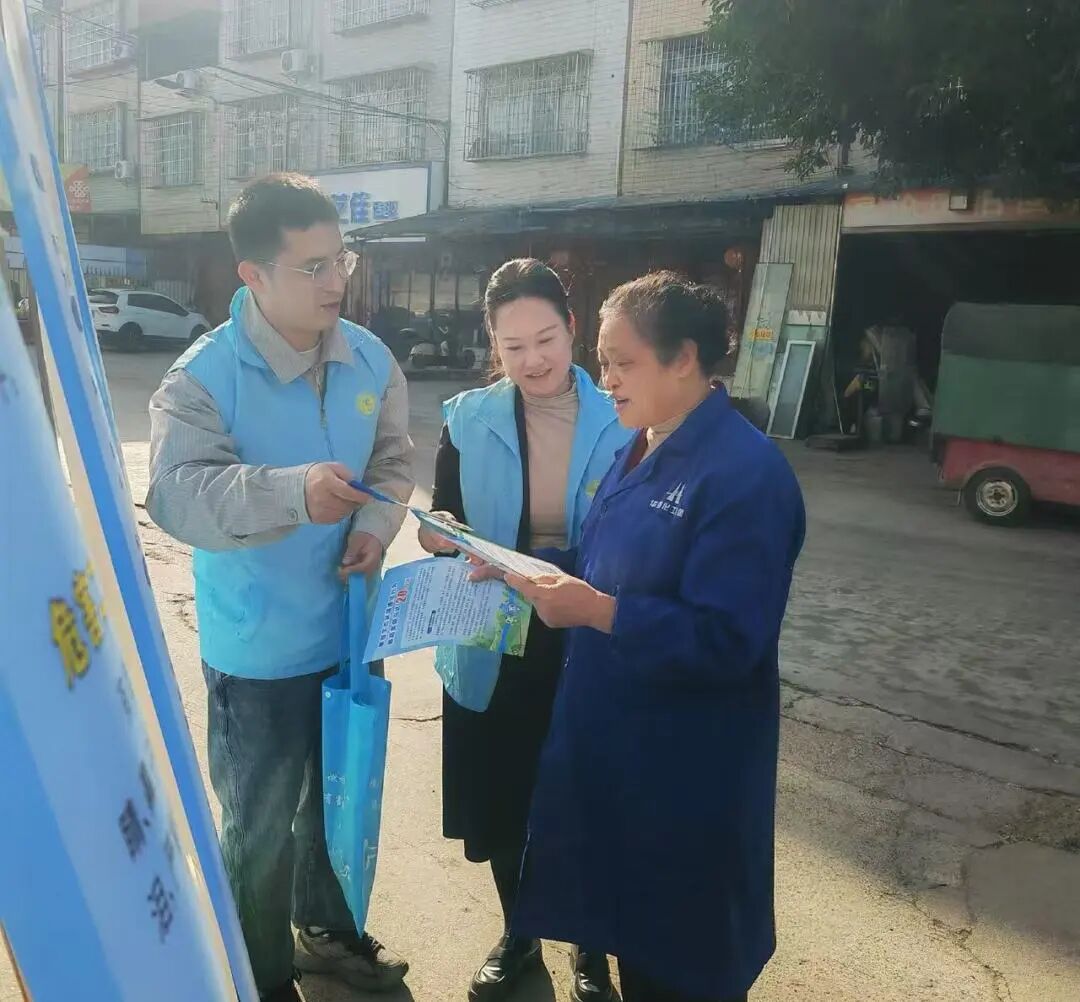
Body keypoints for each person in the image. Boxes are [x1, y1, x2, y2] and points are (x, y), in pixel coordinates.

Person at [477, 272, 806, 1002]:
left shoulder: (744, 475)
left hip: (686, 772)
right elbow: (602, 559)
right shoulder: (644, 444)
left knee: (681, 966)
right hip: (620, 758)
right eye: (602, 361)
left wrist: (600, 613)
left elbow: (727, 639)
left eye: (622, 362)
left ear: (683, 358)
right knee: (635, 947)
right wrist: (515, 566)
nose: (606, 380)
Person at [147, 173, 414, 1002]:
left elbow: (392, 462)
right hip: (257, 652)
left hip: (348, 634)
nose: (337, 282)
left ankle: (326, 935)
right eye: (313, 267)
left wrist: (375, 528)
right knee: (259, 831)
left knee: (334, 808)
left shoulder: (369, 357)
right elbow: (177, 496)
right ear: (253, 275)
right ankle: (260, 977)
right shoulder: (202, 379)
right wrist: (293, 493)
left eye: (342, 260)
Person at [418, 259, 632, 1002]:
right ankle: (520, 933)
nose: (533, 360)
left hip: (584, 631)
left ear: (573, 329)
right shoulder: (467, 419)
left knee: (587, 796)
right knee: (505, 798)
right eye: (514, 346)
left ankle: (591, 949)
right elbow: (445, 516)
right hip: (495, 634)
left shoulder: (622, 417)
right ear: (494, 345)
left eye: (546, 339)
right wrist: (440, 532)